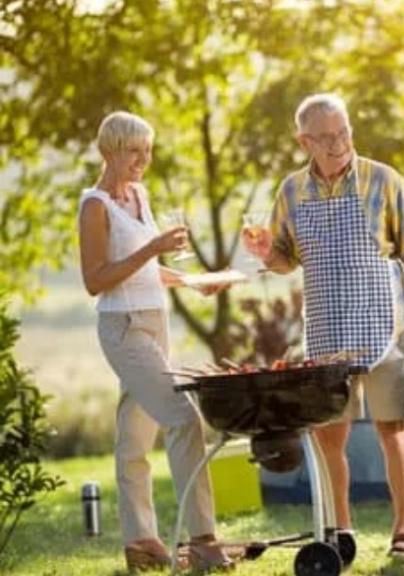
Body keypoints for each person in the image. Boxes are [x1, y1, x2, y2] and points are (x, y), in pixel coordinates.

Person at [242, 93, 404, 560]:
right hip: (326, 329)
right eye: (325, 137)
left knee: (394, 428)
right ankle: (340, 530)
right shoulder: (291, 191)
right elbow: (286, 260)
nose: (338, 143)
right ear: (304, 140)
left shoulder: (383, 180)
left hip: (382, 327)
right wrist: (266, 252)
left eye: (343, 132)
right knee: (330, 435)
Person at [77, 112, 233, 572]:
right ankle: (203, 539)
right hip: (122, 327)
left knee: (135, 436)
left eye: (147, 151)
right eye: (133, 151)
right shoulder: (95, 205)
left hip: (153, 321)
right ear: (109, 151)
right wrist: (152, 248)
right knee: (185, 419)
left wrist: (189, 280)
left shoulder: (138, 196)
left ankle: (141, 543)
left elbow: (145, 270)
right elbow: (95, 280)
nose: (142, 160)